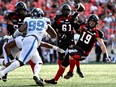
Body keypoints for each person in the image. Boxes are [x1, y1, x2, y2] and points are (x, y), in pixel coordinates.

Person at [44, 14, 111, 84]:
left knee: (71, 55)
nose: (91, 23)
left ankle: (71, 72)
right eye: (91, 21)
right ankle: (55, 80)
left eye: (93, 22)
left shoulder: (97, 33)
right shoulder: (83, 26)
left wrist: (106, 55)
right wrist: (75, 14)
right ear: (88, 21)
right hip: (76, 49)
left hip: (83, 53)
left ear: (96, 24)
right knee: (63, 64)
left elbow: (102, 45)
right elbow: (72, 22)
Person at [0, 8, 58, 86]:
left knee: (37, 61)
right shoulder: (44, 21)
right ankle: (2, 72)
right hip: (20, 44)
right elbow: (7, 46)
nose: (23, 12)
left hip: (24, 43)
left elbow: (21, 30)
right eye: (22, 10)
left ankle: (36, 75)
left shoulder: (28, 22)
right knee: (16, 63)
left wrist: (12, 36)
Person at [51, 3, 85, 79]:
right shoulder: (58, 18)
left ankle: (74, 71)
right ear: (62, 11)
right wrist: (59, 34)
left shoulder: (72, 18)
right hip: (61, 41)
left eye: (67, 10)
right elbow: (52, 29)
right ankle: (61, 72)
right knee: (61, 57)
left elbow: (77, 28)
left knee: (73, 55)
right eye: (64, 10)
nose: (66, 12)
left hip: (70, 40)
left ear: (69, 11)